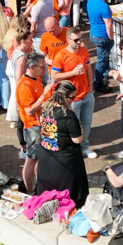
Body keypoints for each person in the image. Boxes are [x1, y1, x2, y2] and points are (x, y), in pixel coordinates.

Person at [36, 81, 89, 207]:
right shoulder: (68, 115)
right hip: (64, 161)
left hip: (46, 157)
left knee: (48, 193)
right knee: (67, 196)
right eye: (72, 97)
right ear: (64, 97)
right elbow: (77, 140)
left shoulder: (45, 108)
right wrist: (80, 132)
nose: (74, 100)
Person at [51, 28, 97, 159]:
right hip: (72, 99)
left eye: (80, 39)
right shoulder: (61, 56)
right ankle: (74, 150)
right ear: (67, 40)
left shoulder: (83, 51)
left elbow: (88, 68)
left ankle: (84, 147)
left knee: (86, 124)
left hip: (86, 94)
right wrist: (73, 73)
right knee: (73, 127)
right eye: (76, 40)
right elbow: (54, 76)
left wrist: (90, 88)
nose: (79, 42)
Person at [17, 52, 50, 193]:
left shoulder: (36, 78)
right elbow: (29, 110)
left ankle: (40, 186)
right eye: (42, 67)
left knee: (40, 160)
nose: (45, 70)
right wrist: (44, 95)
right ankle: (29, 191)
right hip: (33, 127)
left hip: (41, 124)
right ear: (32, 67)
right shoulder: (25, 85)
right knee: (31, 159)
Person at [87, 0, 114, 94]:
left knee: (103, 57)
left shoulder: (90, 1)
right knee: (102, 60)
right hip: (102, 36)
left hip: (93, 34)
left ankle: (104, 75)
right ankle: (97, 83)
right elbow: (108, 24)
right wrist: (111, 37)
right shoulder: (104, 6)